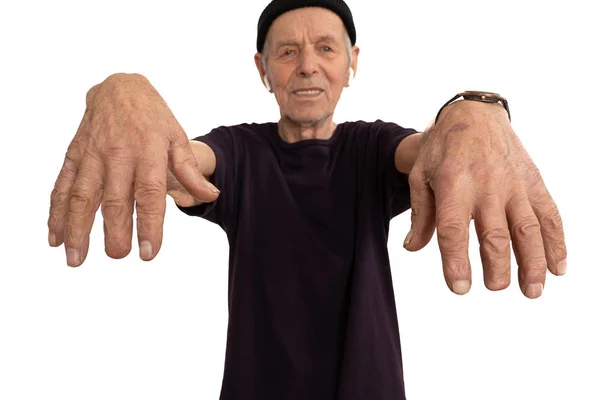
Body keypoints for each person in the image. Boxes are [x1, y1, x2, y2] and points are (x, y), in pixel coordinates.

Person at [46, 0, 567, 399]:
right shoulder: (241, 150)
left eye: (325, 47)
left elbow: (431, 150)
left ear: (352, 62)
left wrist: (470, 113)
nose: (308, 67)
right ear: (263, 69)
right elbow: (183, 161)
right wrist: (122, 87)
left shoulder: (372, 147)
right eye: (288, 51)